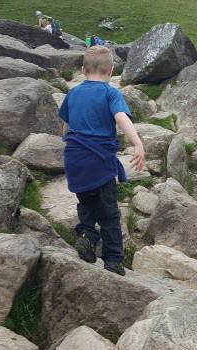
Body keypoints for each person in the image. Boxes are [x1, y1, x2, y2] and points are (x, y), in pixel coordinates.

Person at [59, 46, 146, 275]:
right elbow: (120, 117)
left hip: (75, 159)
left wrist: (69, 145)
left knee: (86, 202)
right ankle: (113, 259)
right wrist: (137, 143)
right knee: (109, 213)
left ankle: (86, 236)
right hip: (99, 160)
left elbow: (66, 128)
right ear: (111, 70)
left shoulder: (73, 93)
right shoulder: (111, 93)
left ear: (83, 69)